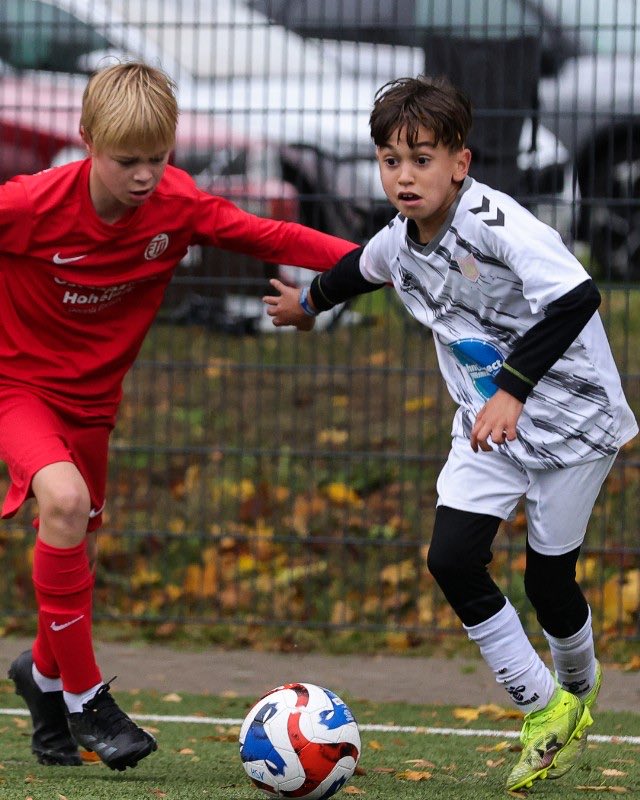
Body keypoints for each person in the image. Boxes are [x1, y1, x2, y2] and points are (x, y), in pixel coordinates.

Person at [263, 75, 638, 791]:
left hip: (574, 424)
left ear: (459, 163)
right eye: (390, 160)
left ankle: (579, 690)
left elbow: (577, 297)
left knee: (549, 582)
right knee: (452, 557)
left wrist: (514, 390)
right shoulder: (401, 243)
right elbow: (357, 271)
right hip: (487, 429)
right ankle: (543, 706)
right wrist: (307, 302)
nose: (404, 176)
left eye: (422, 158)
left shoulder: (500, 226)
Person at [2, 61, 358, 771]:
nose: (142, 176)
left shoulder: (178, 206)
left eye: (156, 159)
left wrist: (382, 262)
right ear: (86, 140)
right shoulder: (27, 203)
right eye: (125, 160)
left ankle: (40, 683)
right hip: (17, 389)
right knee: (65, 504)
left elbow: (274, 236)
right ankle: (83, 701)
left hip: (95, 406)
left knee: (79, 543)